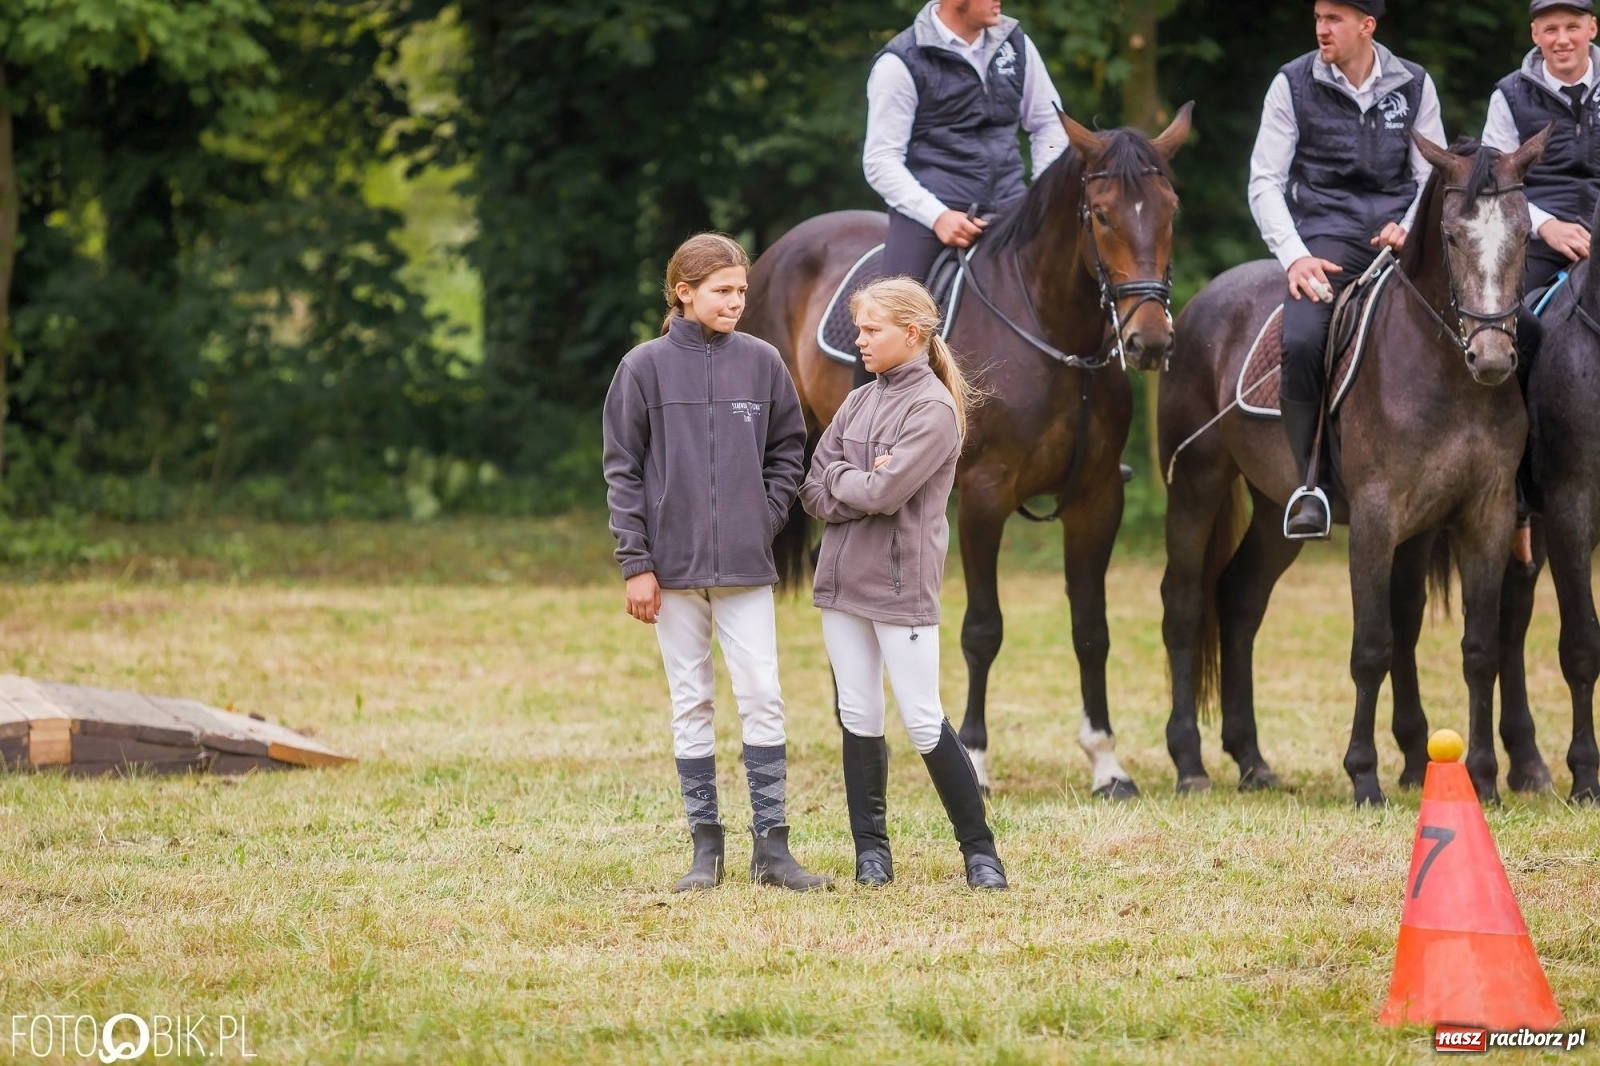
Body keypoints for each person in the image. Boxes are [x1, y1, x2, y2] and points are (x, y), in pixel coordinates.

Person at [602, 232, 830, 894]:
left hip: (744, 569)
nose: (736, 302)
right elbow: (622, 472)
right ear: (684, 293)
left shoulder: (763, 363)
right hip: (668, 572)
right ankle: (706, 852)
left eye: (741, 292)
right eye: (723, 291)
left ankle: (773, 850)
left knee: (763, 697)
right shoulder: (641, 369)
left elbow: (791, 447)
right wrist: (634, 562)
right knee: (691, 701)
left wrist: (762, 516)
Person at [799, 277, 1008, 891]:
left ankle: (980, 852)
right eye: (859, 329)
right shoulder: (858, 401)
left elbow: (885, 494)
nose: (858, 341)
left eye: (870, 330)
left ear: (911, 335)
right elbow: (814, 489)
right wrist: (853, 477)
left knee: (921, 719)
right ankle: (872, 853)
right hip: (839, 583)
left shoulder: (935, 409)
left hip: (898, 587)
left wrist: (850, 478)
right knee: (857, 714)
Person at [1247, 0, 1446, 538]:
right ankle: (1309, 483)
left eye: (1334, 18)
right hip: (1325, 240)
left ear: (1367, 26)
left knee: (1483, 316)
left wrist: (1408, 225)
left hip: (1403, 239)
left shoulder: (1415, 84)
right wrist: (1295, 256)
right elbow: (1265, 180)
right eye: (1317, 17)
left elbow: (1433, 174)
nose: (1321, 28)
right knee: (1304, 338)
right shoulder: (1290, 83)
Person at [858, 0, 1068, 388]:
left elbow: (1048, 123)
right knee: (886, 317)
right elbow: (881, 160)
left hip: (1011, 206)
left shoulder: (1016, 43)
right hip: (930, 214)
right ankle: (868, 414)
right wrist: (938, 215)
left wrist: (1042, 195)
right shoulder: (900, 61)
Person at [1482, 0, 1600, 555]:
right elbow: (1497, 182)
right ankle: (1516, 484)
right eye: (1550, 29)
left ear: (1591, 29)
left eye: (1572, 27)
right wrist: (1548, 227)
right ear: (1535, 33)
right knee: (1515, 328)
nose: (1561, 38)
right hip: (1539, 239)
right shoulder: (1509, 95)